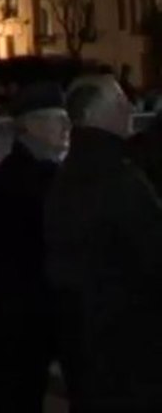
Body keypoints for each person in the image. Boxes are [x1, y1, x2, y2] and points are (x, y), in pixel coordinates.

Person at [45, 75, 162, 411]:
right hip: (127, 338)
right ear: (95, 113)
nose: (129, 108)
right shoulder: (117, 177)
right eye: (120, 101)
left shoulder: (68, 173)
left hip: (82, 334)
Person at [0, 82, 69, 412]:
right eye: (56, 119)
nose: (66, 127)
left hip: (25, 311)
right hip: (23, 314)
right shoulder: (25, 178)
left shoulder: (29, 172)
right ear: (31, 125)